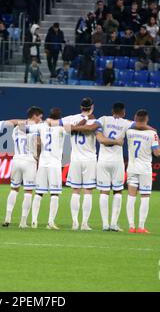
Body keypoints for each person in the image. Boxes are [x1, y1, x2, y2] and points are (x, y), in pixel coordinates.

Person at [47, 98, 123, 230]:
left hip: (75, 159)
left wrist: (71, 127)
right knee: (88, 192)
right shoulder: (96, 121)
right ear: (92, 107)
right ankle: (84, 223)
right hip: (90, 159)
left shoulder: (70, 118)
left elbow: (51, 123)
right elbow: (97, 136)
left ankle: (75, 222)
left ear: (81, 107)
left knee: (75, 192)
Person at [95, 102, 154, 232]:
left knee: (104, 192)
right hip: (117, 161)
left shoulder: (103, 119)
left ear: (112, 111)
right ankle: (114, 224)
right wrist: (153, 130)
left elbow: (100, 138)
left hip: (103, 160)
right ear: (123, 112)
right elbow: (140, 125)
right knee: (117, 191)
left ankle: (105, 224)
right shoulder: (126, 123)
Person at [3, 106, 44, 228]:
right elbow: (37, 143)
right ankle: (23, 221)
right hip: (29, 160)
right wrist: (38, 156)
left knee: (14, 189)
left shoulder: (16, 128)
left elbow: (14, 123)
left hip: (16, 160)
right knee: (28, 192)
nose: (41, 120)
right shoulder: (36, 128)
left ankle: (7, 218)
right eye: (40, 117)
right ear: (35, 115)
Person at [28, 108, 66, 230]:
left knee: (39, 193)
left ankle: (34, 220)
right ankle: (50, 222)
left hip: (43, 163)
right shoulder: (61, 128)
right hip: (54, 164)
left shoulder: (41, 126)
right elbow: (74, 129)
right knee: (54, 194)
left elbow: (25, 129)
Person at [126, 109, 160, 234]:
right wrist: (156, 134)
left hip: (132, 168)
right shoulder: (152, 134)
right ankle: (141, 227)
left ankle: (131, 226)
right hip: (145, 169)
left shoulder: (129, 131)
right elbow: (157, 153)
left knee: (131, 197)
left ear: (135, 118)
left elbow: (131, 124)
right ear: (147, 119)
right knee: (145, 197)